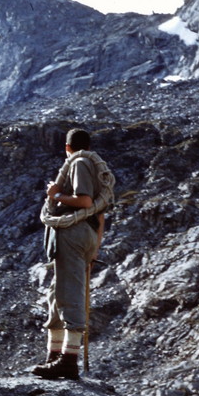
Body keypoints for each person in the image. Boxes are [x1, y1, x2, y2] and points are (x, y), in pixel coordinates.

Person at [33, 128, 114, 380]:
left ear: (67, 148)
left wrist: (55, 194)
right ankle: (55, 356)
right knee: (57, 293)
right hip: (84, 236)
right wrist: (94, 248)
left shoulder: (78, 163)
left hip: (72, 234)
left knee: (69, 293)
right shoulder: (93, 164)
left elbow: (86, 201)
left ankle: (68, 361)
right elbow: (98, 213)